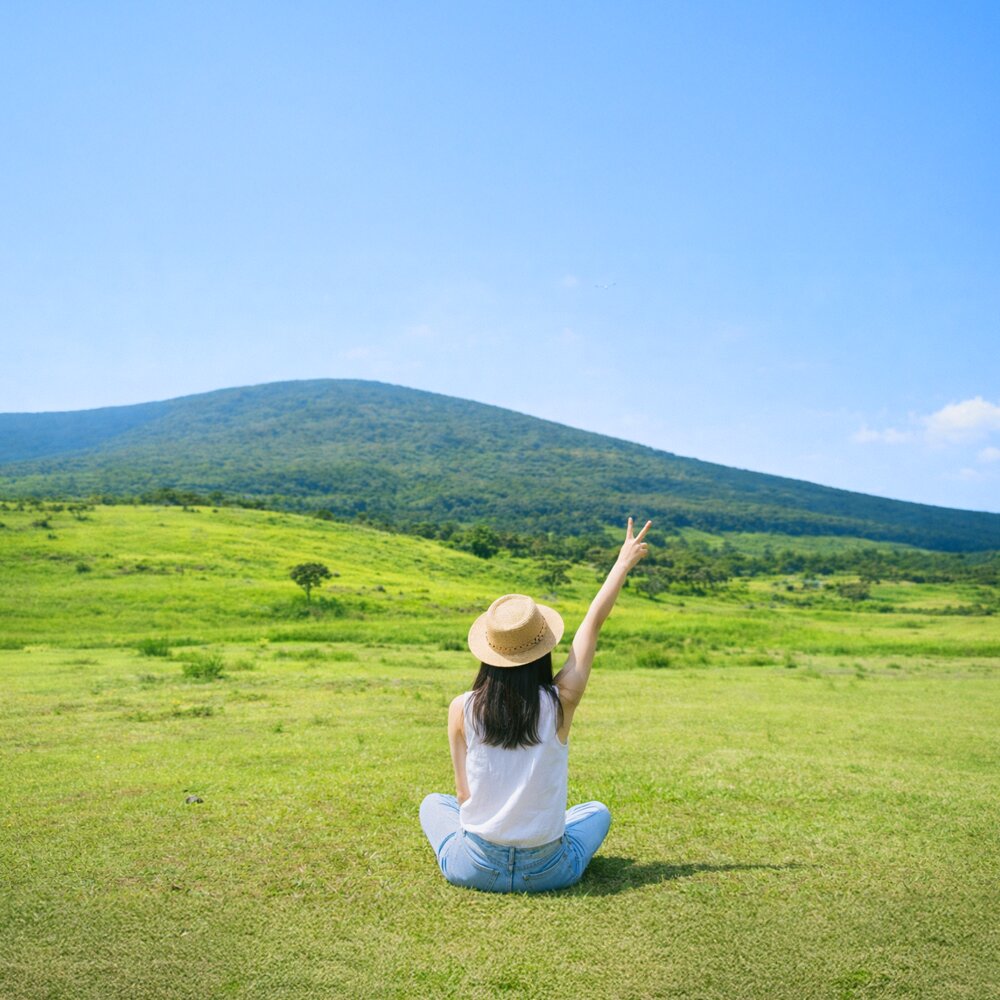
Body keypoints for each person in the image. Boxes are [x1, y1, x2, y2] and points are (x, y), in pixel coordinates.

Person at [419, 516, 652, 893]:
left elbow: (463, 797)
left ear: (490, 653)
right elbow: (593, 624)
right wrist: (622, 563)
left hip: (475, 866)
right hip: (548, 870)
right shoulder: (562, 702)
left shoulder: (461, 708)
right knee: (595, 812)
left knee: (434, 803)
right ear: (543, 648)